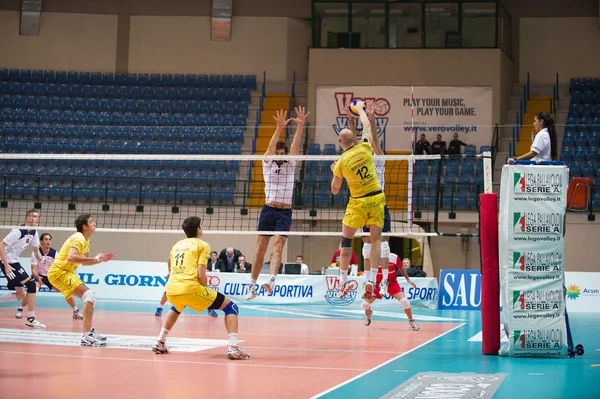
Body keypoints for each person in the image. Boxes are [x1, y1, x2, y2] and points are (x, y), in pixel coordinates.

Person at [151, 216, 251, 360]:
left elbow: (169, 260)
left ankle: (160, 342)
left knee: (178, 306)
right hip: (191, 288)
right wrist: (205, 290)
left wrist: (172, 273)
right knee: (231, 307)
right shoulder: (202, 245)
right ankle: (233, 347)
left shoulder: (177, 245)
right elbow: (201, 274)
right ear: (198, 229)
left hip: (171, 289)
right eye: (201, 226)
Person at [246, 106, 309, 300]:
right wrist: (279, 128)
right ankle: (252, 285)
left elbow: (296, 147)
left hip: (284, 212)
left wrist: (300, 126)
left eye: (283, 153)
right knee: (260, 250)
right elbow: (269, 148)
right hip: (268, 209)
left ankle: (271, 280)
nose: (280, 156)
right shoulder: (267, 163)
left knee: (279, 245)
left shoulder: (290, 165)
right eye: (278, 153)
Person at [330, 105, 385, 299]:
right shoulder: (365, 147)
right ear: (355, 139)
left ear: (339, 141)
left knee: (346, 242)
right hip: (377, 196)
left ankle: (343, 283)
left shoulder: (341, 163)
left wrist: (334, 172)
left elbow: (335, 190)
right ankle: (370, 280)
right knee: (375, 240)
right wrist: (364, 113)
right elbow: (368, 130)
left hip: (358, 202)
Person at [346, 101, 392, 298]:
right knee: (366, 243)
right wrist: (351, 119)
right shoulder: (360, 157)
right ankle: (368, 283)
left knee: (382, 243)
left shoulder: (378, 159)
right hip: (365, 204)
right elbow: (354, 144)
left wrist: (371, 120)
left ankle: (384, 281)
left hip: (380, 204)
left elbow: (373, 140)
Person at [48, 214, 115, 347]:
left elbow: (85, 262)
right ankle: (86, 336)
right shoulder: (78, 238)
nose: (94, 223)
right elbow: (71, 257)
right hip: (59, 272)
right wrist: (96, 258)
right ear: (84, 226)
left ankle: (89, 332)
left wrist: (99, 260)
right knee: (89, 295)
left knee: (90, 297)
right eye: (91, 222)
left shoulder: (86, 240)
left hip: (66, 272)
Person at [0, 209, 46, 328]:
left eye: (37, 217)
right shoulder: (18, 231)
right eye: (34, 216)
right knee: (31, 285)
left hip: (14, 261)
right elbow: (1, 245)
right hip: (8, 261)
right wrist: (6, 265)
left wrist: (40, 258)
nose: (37, 219)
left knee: (21, 295)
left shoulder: (34, 232)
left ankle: (30, 318)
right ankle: (31, 318)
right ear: (28, 218)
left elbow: (36, 250)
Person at [24, 233, 83, 320]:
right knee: (32, 290)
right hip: (38, 276)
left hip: (50, 277)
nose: (48, 241)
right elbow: (33, 270)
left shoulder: (54, 253)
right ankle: (20, 309)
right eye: (46, 239)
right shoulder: (36, 253)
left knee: (66, 291)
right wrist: (37, 277)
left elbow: (58, 267)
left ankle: (75, 311)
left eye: (49, 239)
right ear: (41, 242)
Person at [361, 253, 419, 331]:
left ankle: (411, 321)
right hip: (377, 285)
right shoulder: (372, 257)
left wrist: (408, 279)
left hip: (391, 284)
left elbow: (401, 268)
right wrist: (366, 287)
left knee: (405, 302)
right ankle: (368, 313)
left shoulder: (394, 257)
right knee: (364, 305)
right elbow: (367, 272)